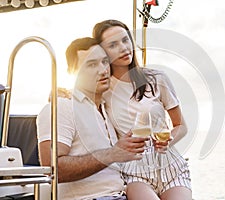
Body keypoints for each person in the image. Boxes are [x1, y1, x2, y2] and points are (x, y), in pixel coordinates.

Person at [37, 37, 148, 200]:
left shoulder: (107, 107)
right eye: (91, 65)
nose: (103, 70)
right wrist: (113, 154)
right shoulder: (62, 107)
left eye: (104, 62)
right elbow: (53, 169)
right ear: (72, 72)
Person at [93, 19, 192, 200]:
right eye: (113, 45)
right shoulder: (103, 90)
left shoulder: (157, 78)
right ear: (103, 52)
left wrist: (168, 141)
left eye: (125, 40)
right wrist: (59, 92)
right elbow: (78, 95)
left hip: (170, 166)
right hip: (134, 172)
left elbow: (181, 125)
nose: (123, 48)